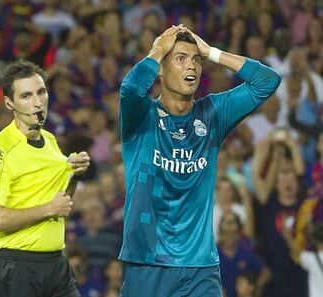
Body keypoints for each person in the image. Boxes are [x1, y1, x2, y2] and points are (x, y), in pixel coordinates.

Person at [118, 24, 281, 297]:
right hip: (147, 263)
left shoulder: (213, 114)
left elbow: (268, 81)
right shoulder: (141, 117)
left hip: (200, 268)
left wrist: (212, 52)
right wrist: (157, 51)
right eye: (180, 59)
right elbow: (131, 89)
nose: (191, 66)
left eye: (196, 59)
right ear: (161, 67)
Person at [0, 60, 90, 297]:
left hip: (57, 263)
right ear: (9, 103)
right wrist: (48, 208)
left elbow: (63, 203)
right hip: (16, 268)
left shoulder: (50, 141)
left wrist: (77, 175)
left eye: (41, 92)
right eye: (26, 95)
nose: (37, 102)